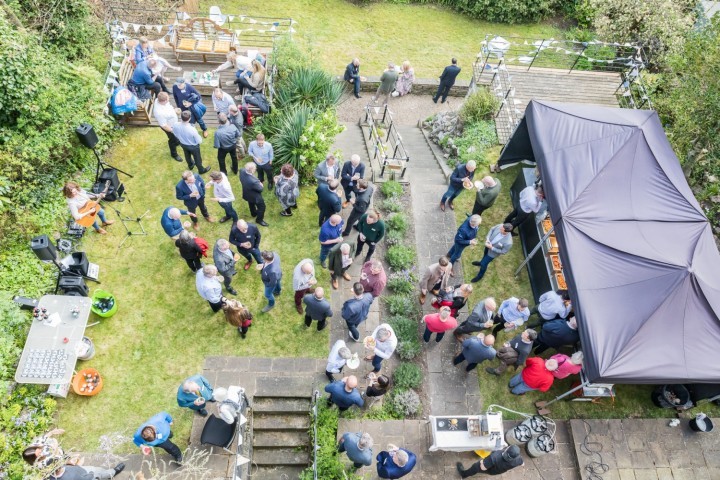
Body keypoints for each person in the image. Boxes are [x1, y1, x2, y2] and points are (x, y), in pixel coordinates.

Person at [455, 444, 524, 477]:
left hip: (489, 468)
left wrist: (482, 461)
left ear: (507, 449)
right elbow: (522, 464)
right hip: (496, 471)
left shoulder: (494, 456)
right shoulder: (519, 459)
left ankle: (463, 474)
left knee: (476, 466)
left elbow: (483, 467)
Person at [153, 92, 183, 163]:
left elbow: (168, 107)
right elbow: (164, 125)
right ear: (164, 101)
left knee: (177, 138)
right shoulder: (159, 112)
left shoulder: (158, 99)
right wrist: (173, 131)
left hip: (174, 123)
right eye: (168, 98)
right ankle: (174, 154)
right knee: (172, 140)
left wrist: (174, 111)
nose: (169, 99)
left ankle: (177, 142)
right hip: (169, 127)